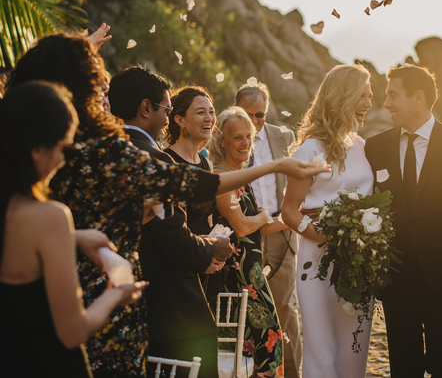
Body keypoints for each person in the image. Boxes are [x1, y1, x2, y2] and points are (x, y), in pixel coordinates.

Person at [6, 33, 329, 378]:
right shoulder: (107, 155)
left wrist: (75, 237)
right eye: (99, 89)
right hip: (106, 321)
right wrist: (277, 166)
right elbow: (192, 185)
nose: (106, 100)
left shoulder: (31, 183)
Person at [0, 81, 145, 378]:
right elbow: (72, 331)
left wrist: (73, 238)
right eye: (62, 148)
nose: (62, 160)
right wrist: (117, 294)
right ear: (37, 149)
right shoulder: (50, 217)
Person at [364, 65, 442, 378]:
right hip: (395, 277)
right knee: (402, 366)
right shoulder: (376, 147)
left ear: (417, 97)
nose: (387, 103)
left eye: (393, 95)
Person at [108, 66, 233, 378]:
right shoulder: (155, 159)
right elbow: (174, 238)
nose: (166, 119)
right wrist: (212, 249)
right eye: (166, 109)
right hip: (171, 307)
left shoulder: (104, 152)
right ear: (145, 108)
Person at [281, 65, 375, 378]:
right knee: (322, 347)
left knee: (355, 345)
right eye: (363, 95)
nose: (369, 103)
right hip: (317, 261)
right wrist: (324, 238)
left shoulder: (361, 146)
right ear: (343, 97)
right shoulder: (311, 148)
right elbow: (290, 211)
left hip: (359, 260)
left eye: (371, 95)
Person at [208, 107, 288, 378]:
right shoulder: (222, 176)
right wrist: (265, 214)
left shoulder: (241, 176)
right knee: (265, 342)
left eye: (249, 137)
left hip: (251, 273)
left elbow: (258, 229)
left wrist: (294, 218)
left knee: (261, 345)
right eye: (237, 137)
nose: (244, 143)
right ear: (222, 141)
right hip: (238, 278)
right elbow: (242, 226)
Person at [235, 83, 301, 378]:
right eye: (248, 114)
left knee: (284, 309)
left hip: (281, 231)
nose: (255, 121)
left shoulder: (284, 136)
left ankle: (293, 373)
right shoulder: (228, 138)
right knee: (250, 310)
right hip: (244, 234)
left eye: (259, 114)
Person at [163, 86, 218, 236]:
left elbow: (208, 222)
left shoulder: (207, 164)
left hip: (206, 254)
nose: (209, 118)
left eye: (211, 112)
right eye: (201, 112)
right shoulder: (167, 161)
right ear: (180, 120)